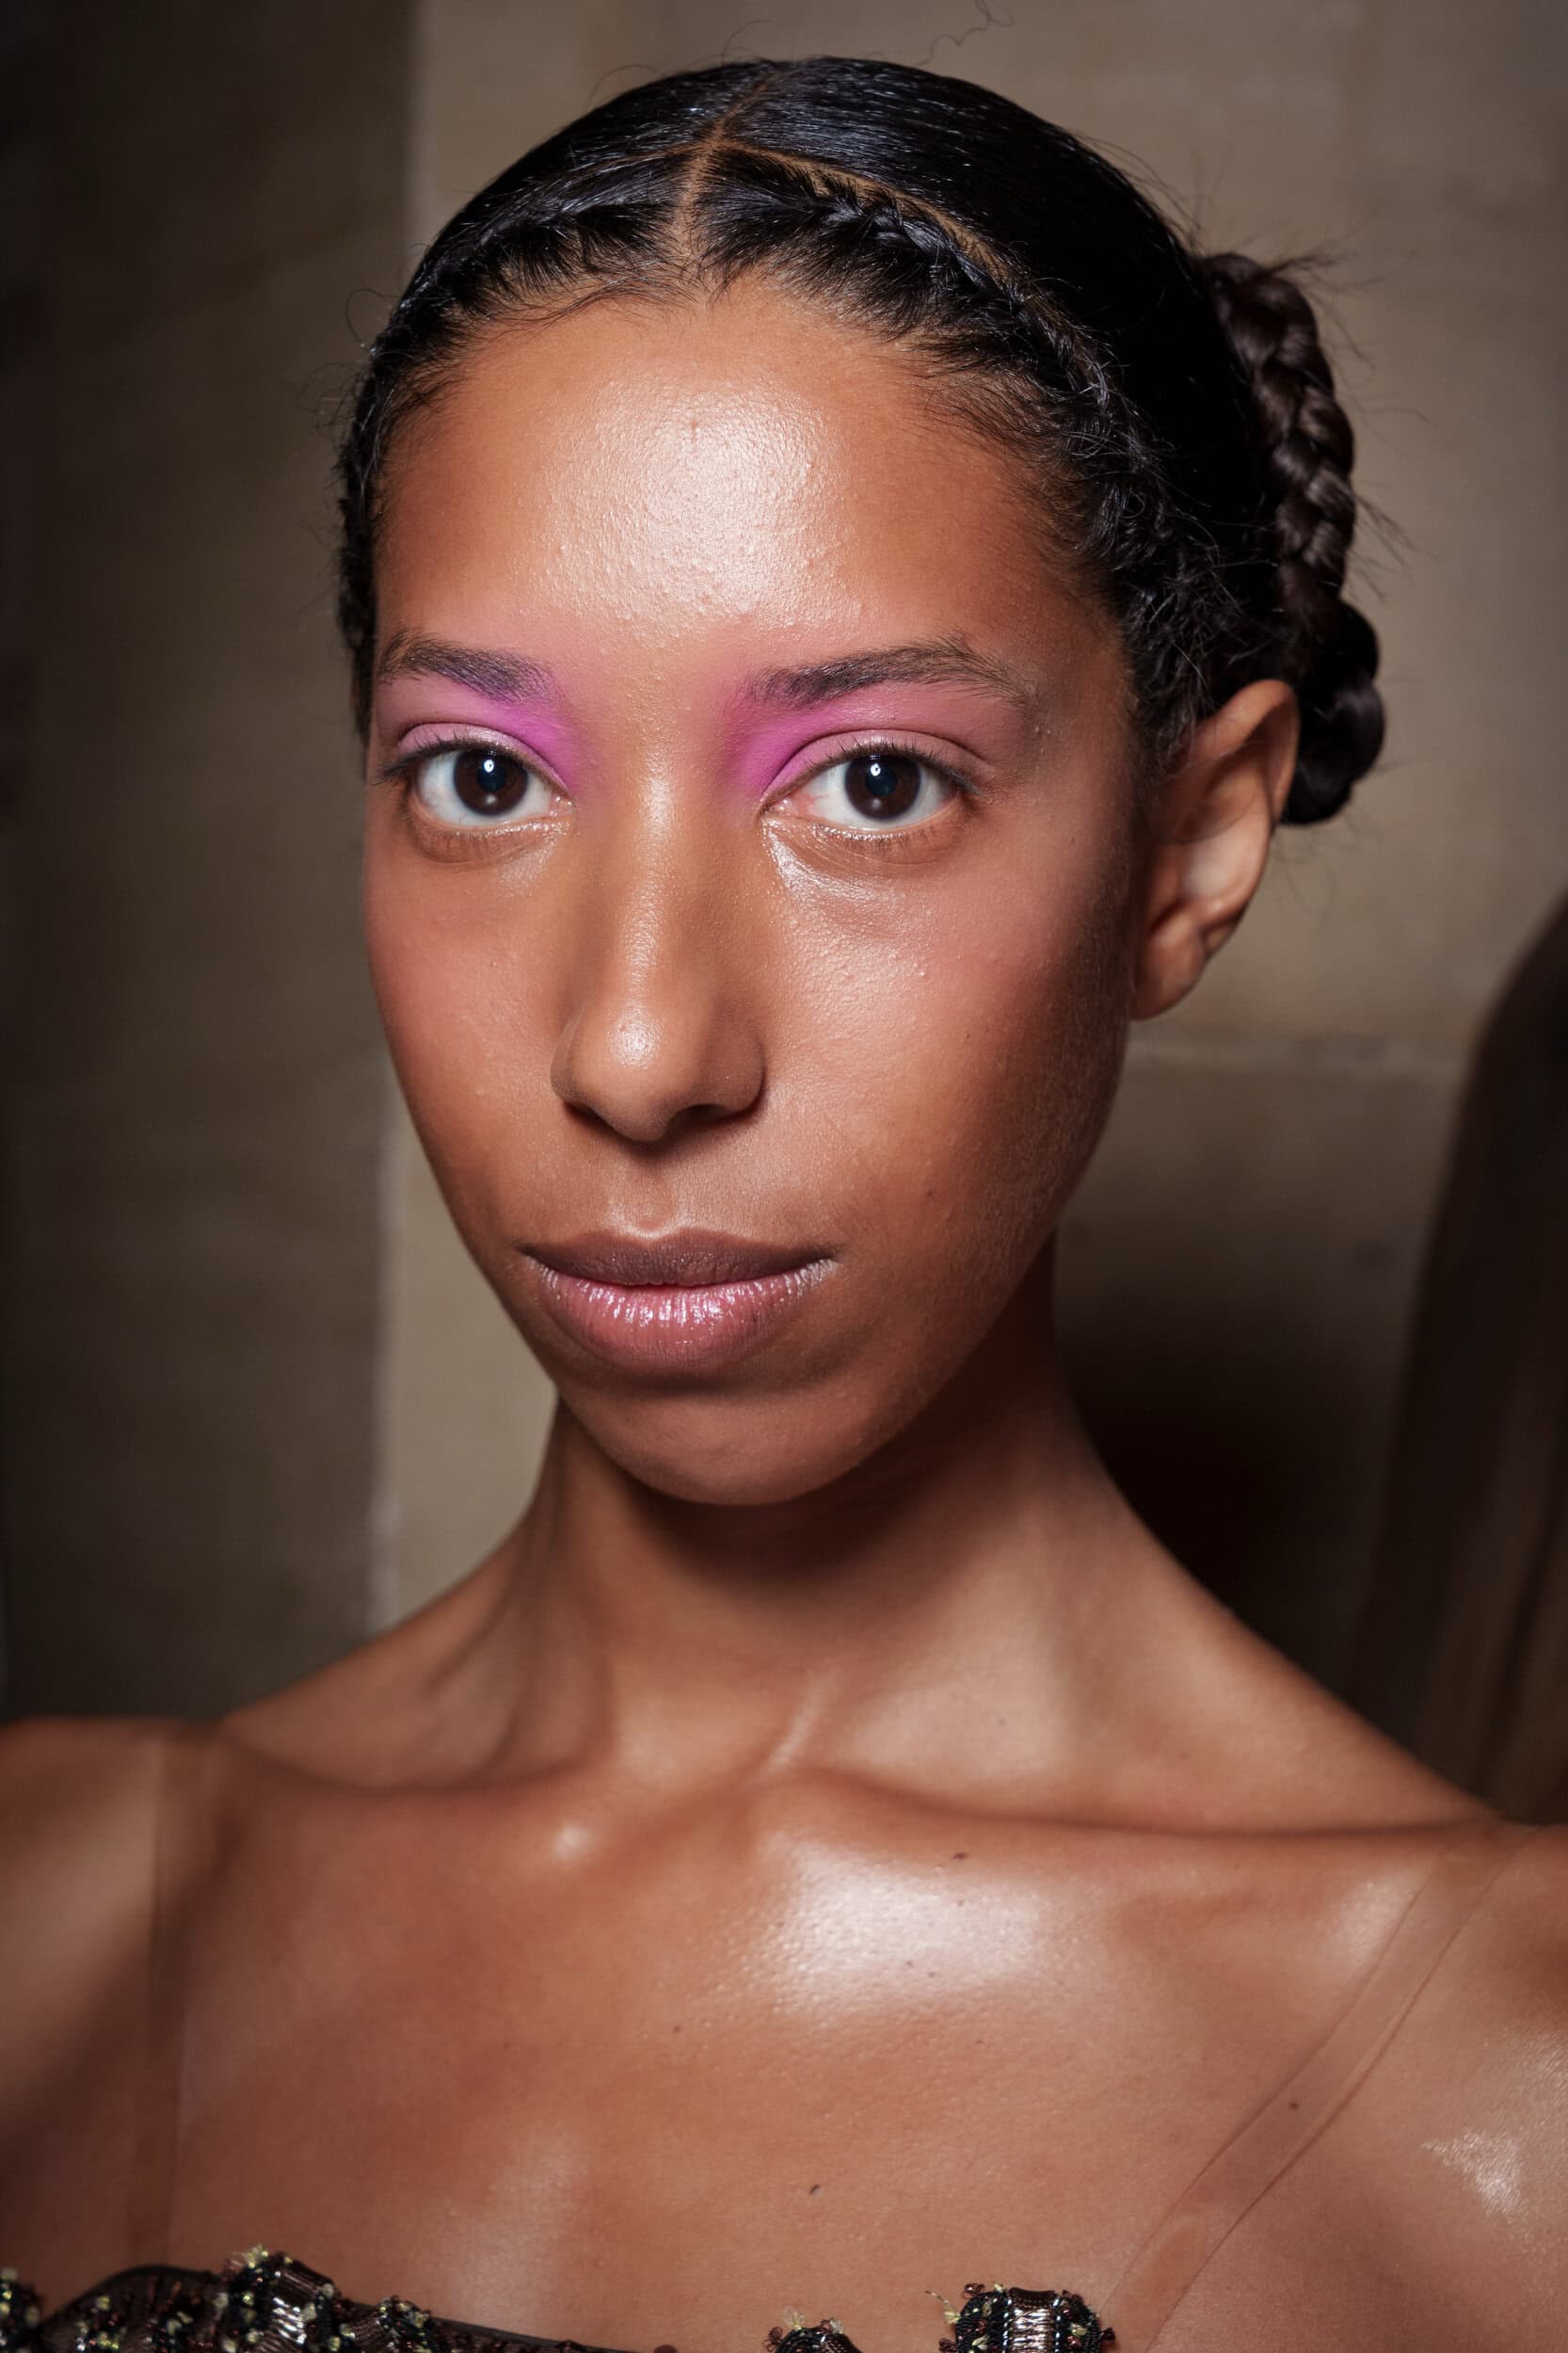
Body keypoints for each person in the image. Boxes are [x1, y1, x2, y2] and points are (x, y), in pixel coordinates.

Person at [0, 54, 1562, 2353]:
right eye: (481, 774)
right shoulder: (40, 1912)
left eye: (872, 782)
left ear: (1188, 842)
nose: (638, 1049)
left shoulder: (1510, 2103)